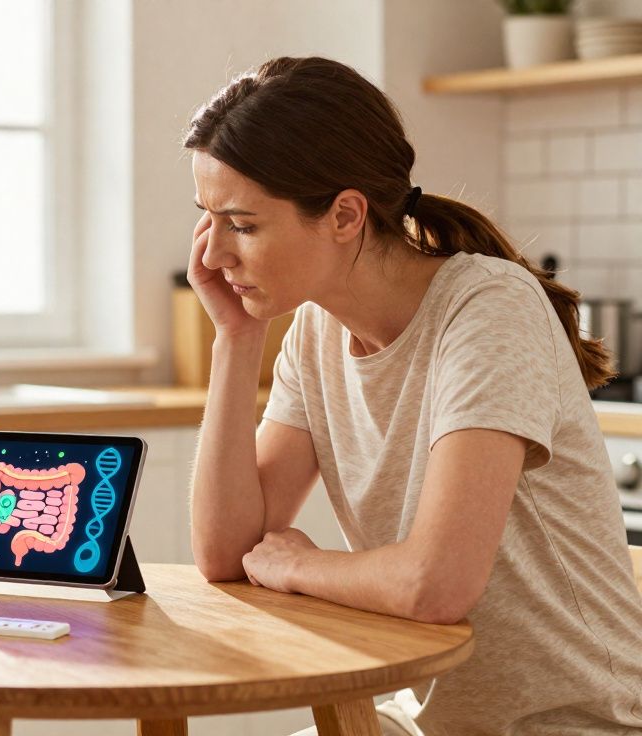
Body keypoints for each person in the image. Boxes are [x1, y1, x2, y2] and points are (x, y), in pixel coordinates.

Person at [183, 57, 642, 735]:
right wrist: (235, 339)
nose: (212, 255)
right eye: (208, 220)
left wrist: (303, 565)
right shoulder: (314, 332)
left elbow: (436, 585)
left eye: (242, 225)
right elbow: (227, 554)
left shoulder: (488, 309)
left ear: (345, 215)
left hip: (574, 724)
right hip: (425, 720)